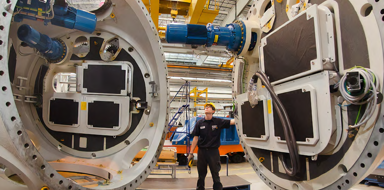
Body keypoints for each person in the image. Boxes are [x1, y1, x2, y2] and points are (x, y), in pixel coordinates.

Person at [188, 103, 235, 190]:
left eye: (209, 107)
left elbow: (233, 122)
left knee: (215, 173)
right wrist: (191, 153)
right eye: (206, 107)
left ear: (213, 111)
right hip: (202, 152)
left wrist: (240, 114)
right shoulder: (199, 123)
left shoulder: (218, 121)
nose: (207, 108)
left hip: (213, 152)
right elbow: (195, 138)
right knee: (201, 174)